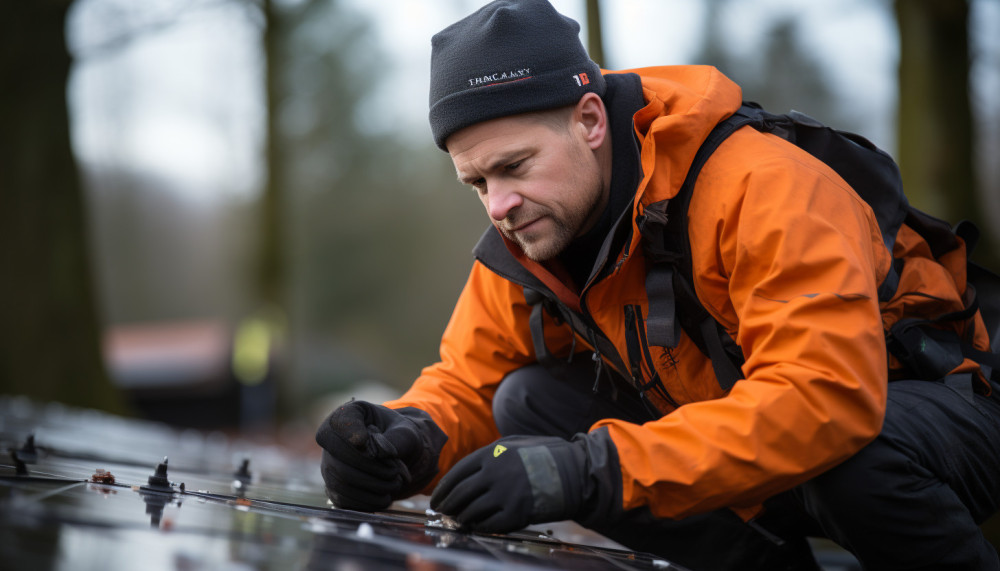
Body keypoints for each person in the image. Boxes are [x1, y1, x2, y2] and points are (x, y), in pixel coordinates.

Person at [314, 1, 1000, 568]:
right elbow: (471, 381)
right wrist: (408, 441)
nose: (499, 204)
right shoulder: (533, 236)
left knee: (856, 457)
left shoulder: (761, 187)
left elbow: (824, 397)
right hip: (747, 441)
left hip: (935, 407)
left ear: (587, 121)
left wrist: (591, 468)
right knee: (527, 402)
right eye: (478, 183)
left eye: (515, 166)